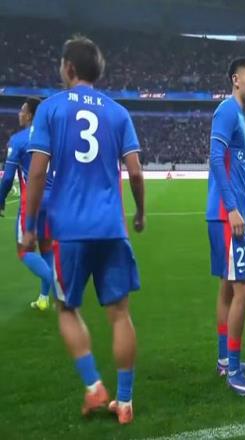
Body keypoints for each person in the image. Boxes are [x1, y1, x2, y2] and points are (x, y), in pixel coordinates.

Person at [23, 35, 145, 424]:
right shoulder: (118, 112)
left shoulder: (51, 109)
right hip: (111, 227)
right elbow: (136, 172)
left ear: (69, 67)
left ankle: (94, 386)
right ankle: (124, 401)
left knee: (67, 308)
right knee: (120, 314)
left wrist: (30, 226)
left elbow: (37, 172)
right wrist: (140, 213)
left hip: (69, 230)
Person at [206, 57, 245, 396]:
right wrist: (232, 208)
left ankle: (225, 359)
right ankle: (234, 369)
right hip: (227, 216)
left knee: (228, 289)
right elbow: (215, 158)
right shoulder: (227, 111)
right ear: (235, 79)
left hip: (231, 213)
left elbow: (241, 170)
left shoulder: (239, 116)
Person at [0, 97, 53, 311]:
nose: (19, 114)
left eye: (22, 110)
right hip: (53, 201)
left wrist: (1, 201)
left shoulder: (19, 140)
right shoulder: (52, 136)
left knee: (24, 251)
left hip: (31, 202)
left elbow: (7, 178)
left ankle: (58, 285)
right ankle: (44, 298)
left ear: (30, 115)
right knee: (46, 248)